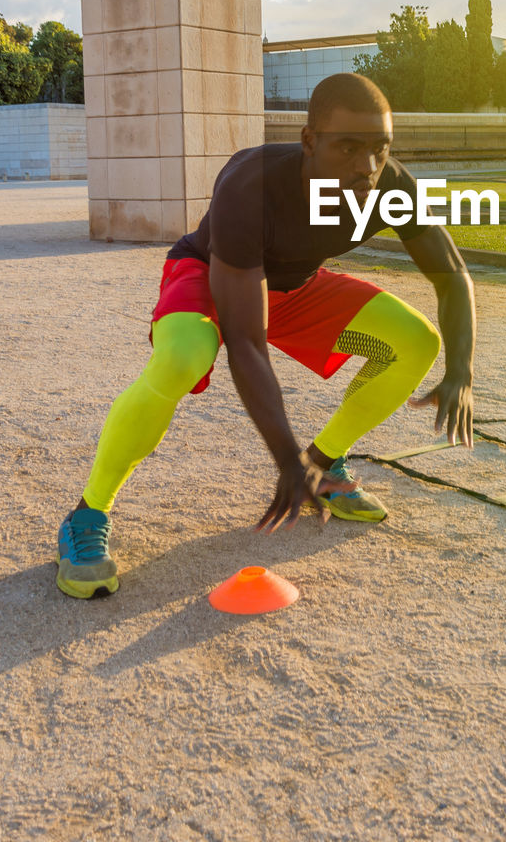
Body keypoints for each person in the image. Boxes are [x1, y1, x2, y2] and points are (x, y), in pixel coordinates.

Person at [56, 72, 476, 598]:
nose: (367, 167)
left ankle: (325, 464)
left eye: (379, 148)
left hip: (295, 286)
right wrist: (283, 459)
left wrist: (461, 370)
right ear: (309, 142)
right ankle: (86, 514)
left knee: (417, 342)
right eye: (348, 147)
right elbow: (247, 343)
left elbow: (451, 273)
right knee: (183, 357)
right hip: (212, 276)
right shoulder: (250, 184)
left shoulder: (389, 186)